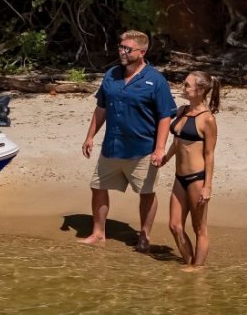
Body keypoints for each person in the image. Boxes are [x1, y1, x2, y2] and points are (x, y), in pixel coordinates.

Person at [79, 30, 178, 250]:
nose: (122, 52)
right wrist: (89, 136)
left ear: (142, 52)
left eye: (127, 49)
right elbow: (101, 107)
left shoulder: (156, 80)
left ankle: (144, 236)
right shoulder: (111, 74)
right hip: (112, 146)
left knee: (146, 193)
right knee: (97, 187)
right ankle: (98, 233)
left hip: (142, 149)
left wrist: (160, 148)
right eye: (121, 47)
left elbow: (165, 116)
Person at [163, 70, 220, 268]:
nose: (183, 87)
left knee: (199, 229)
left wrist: (207, 187)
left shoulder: (207, 119)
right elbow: (177, 141)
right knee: (174, 225)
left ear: (201, 90)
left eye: (187, 85)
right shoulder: (182, 111)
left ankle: (198, 269)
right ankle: (190, 264)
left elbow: (209, 154)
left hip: (197, 178)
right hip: (179, 177)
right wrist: (165, 158)